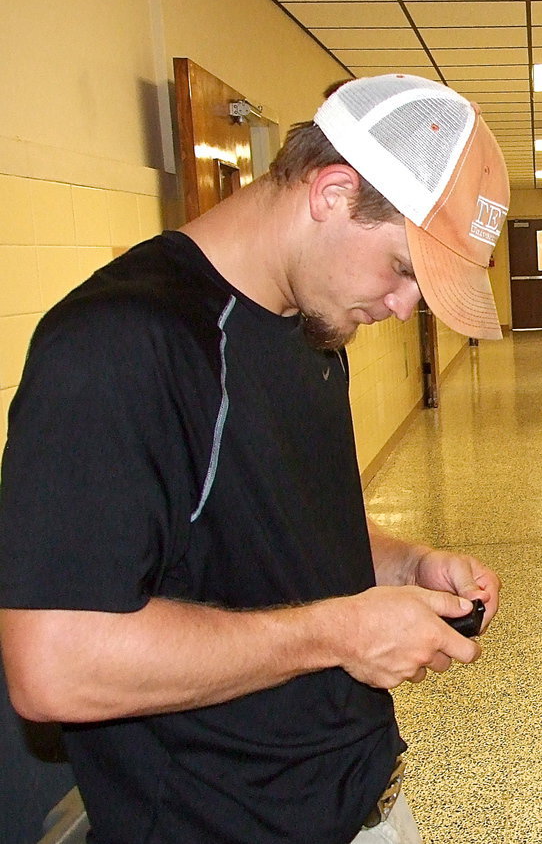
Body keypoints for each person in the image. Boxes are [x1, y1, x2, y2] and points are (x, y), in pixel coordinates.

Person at [0, 73, 509, 843]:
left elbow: (279, 526)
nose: (407, 310)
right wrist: (337, 633)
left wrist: (406, 565)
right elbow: (55, 664)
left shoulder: (312, 327)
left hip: (359, 797)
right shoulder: (117, 347)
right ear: (332, 192)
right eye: (405, 270)